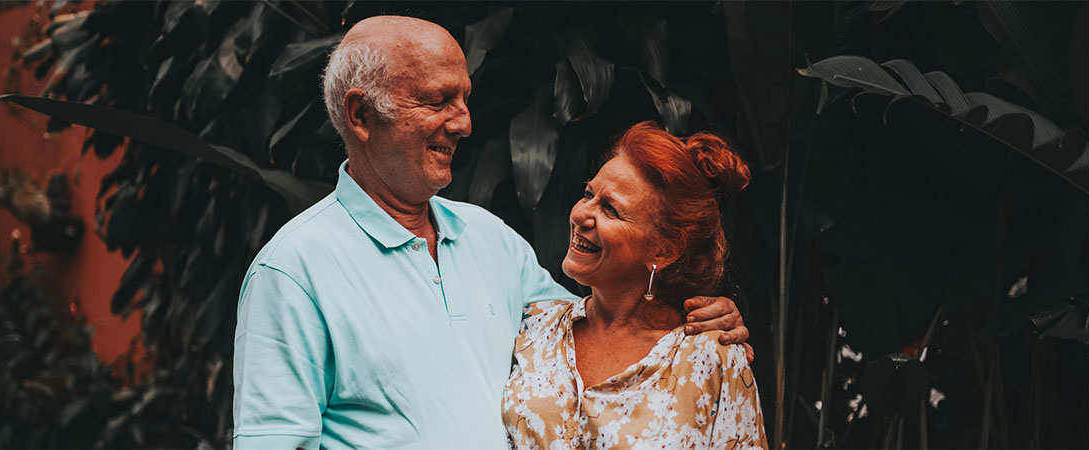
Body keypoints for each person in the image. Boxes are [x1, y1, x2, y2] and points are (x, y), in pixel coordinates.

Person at [232, 16, 752, 449]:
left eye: (465, 99)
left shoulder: (489, 239)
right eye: (438, 101)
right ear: (362, 114)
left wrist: (694, 314)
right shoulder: (294, 271)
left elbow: (594, 328)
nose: (464, 123)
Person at [502, 122, 766, 449]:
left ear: (664, 249)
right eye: (588, 194)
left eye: (610, 209)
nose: (581, 214)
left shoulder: (708, 357)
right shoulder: (533, 326)